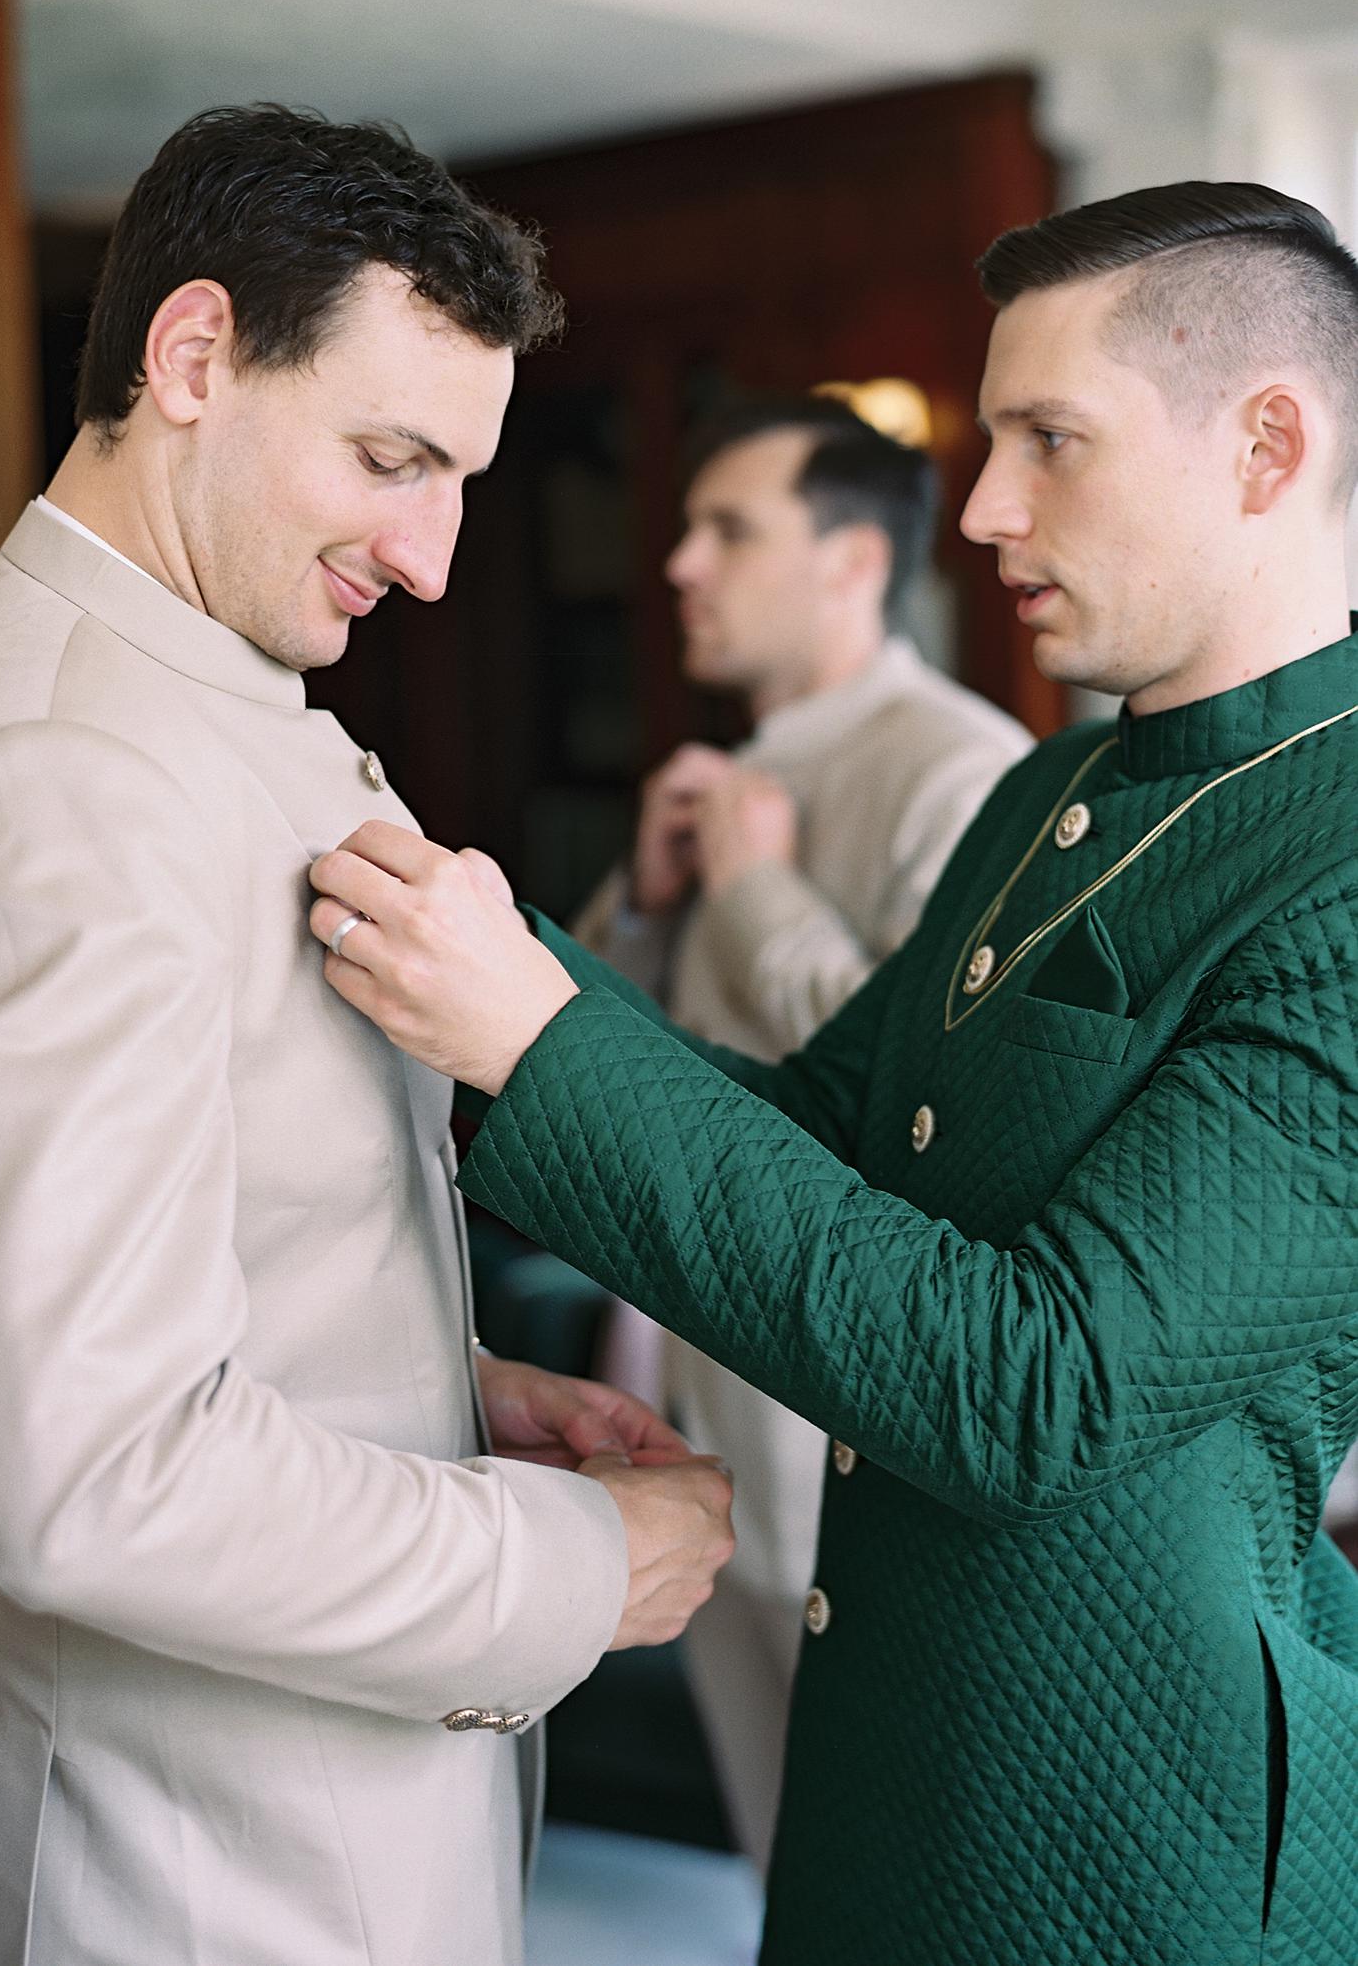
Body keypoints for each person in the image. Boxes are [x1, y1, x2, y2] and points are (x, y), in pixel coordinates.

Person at [309, 180, 1358, 1965]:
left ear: (1265, 446)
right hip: (891, 1731)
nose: (980, 505)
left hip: (1127, 1816)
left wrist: (533, 1035)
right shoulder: (1052, 790)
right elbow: (817, 1126)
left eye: (1047, 440)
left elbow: (1033, 1383)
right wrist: (474, 949)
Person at [0, 104, 735, 1966]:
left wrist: (448, 1384)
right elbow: (101, 1475)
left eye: (461, 480)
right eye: (391, 458)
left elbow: (86, 1264)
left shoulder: (172, 689)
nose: (428, 560)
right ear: (191, 359)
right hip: (182, 1875)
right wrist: (584, 1566)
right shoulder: (58, 775)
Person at [572, 392, 1029, 1866]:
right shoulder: (718, 781)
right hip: (706, 1424)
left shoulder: (964, 773)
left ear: (847, 562)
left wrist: (760, 888)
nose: (679, 567)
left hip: (852, 1459)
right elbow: (624, 1076)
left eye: (727, 529)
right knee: (778, 1876)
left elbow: (930, 1115)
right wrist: (641, 908)